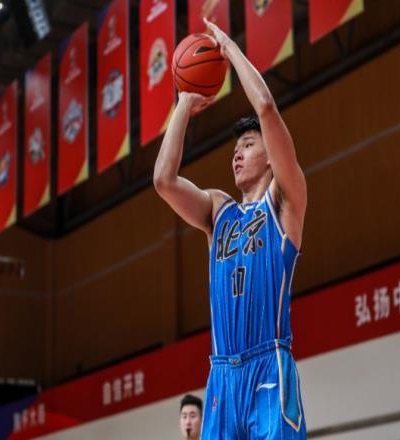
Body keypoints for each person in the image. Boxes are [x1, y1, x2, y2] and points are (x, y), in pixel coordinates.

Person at [154, 18, 307, 440]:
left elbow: (266, 108)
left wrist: (229, 47)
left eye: (248, 146)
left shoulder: (285, 201)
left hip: (268, 365)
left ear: (271, 156)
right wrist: (184, 103)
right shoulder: (218, 210)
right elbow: (163, 180)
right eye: (235, 149)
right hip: (222, 375)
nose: (237, 155)